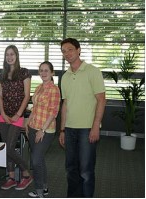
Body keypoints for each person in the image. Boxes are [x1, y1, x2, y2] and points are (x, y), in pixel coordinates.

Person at [59, 38, 106, 197]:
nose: (67, 54)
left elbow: (101, 100)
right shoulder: (65, 76)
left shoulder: (93, 71)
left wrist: (95, 126)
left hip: (87, 129)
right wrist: (62, 130)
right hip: (70, 129)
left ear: (79, 50)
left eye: (70, 49)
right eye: (64, 51)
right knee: (71, 169)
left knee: (86, 170)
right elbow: (65, 104)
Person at [0, 45, 32, 191]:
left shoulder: (24, 72)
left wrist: (18, 114)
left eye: (12, 54)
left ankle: (26, 173)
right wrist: (4, 114)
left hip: (17, 115)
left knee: (10, 147)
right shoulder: (3, 74)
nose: (10, 57)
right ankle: (11, 177)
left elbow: (27, 95)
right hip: (3, 116)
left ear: (16, 56)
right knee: (6, 147)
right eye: (7, 55)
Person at [25, 61, 61, 198]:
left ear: (52, 73)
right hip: (33, 127)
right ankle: (44, 187)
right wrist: (28, 122)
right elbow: (34, 107)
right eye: (41, 70)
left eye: (46, 70)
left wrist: (42, 130)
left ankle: (39, 191)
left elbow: (53, 112)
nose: (43, 73)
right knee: (39, 160)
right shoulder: (39, 87)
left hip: (46, 130)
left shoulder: (54, 89)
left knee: (35, 160)